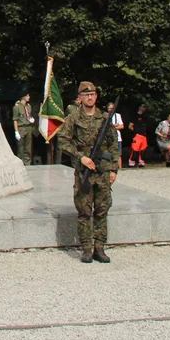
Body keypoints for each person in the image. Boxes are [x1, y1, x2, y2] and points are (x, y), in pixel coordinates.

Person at [59, 81, 117, 264]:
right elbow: (62, 141)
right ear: (80, 98)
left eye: (92, 94)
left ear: (96, 96)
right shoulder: (73, 118)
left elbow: (113, 145)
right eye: (86, 95)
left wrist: (114, 168)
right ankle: (86, 248)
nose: (90, 97)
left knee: (102, 210)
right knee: (84, 211)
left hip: (103, 171)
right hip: (84, 170)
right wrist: (80, 157)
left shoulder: (105, 118)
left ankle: (99, 247)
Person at [11, 92, 35, 165]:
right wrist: (16, 131)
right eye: (27, 95)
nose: (29, 97)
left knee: (28, 147)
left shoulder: (28, 106)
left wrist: (31, 119)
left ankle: (28, 163)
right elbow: (15, 120)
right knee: (20, 147)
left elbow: (29, 115)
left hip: (28, 127)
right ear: (23, 97)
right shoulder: (17, 107)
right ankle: (20, 163)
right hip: (21, 128)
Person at [107, 102, 124, 169]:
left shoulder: (118, 115)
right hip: (108, 138)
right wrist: (115, 125)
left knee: (119, 153)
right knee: (108, 153)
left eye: (112, 108)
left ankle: (120, 167)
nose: (111, 110)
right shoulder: (105, 116)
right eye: (110, 108)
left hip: (118, 138)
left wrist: (112, 127)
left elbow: (122, 126)